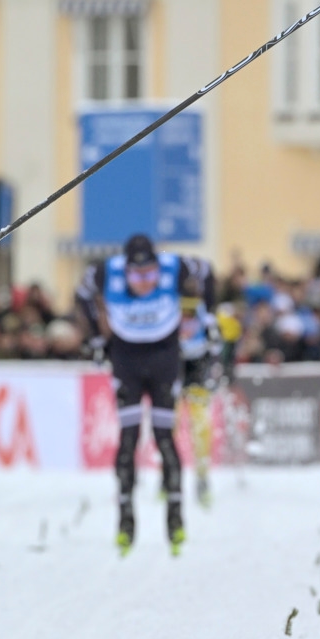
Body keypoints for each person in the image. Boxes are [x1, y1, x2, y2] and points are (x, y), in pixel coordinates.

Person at [79, 234, 212, 556]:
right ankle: (125, 523)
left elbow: (208, 273)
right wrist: (97, 336)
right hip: (126, 359)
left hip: (165, 357)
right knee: (128, 440)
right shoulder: (105, 271)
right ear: (125, 270)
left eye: (151, 273)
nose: (145, 282)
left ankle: (176, 523)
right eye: (137, 275)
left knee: (165, 438)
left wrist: (206, 316)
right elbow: (81, 293)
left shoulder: (175, 265)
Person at [178, 276, 222, 507]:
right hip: (174, 372)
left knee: (201, 425)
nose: (186, 313)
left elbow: (217, 346)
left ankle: (202, 477)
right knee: (170, 425)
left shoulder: (206, 316)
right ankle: (167, 477)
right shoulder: (167, 312)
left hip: (197, 372)